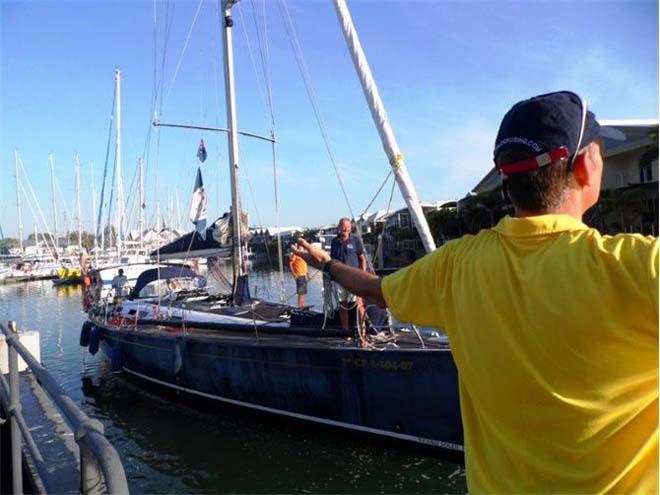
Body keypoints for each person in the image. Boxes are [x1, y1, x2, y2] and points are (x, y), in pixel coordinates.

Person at [293, 91, 658, 493]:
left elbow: (376, 291)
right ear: (587, 165)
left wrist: (324, 264)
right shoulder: (638, 268)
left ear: (506, 180)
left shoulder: (458, 265)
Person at [330, 218, 367, 331]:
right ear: (339, 227)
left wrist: (363, 274)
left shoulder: (355, 240)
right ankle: (346, 332)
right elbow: (331, 259)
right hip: (340, 279)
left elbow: (362, 258)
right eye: (343, 226)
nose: (345, 229)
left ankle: (362, 330)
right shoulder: (334, 242)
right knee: (343, 306)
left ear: (350, 228)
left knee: (359, 305)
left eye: (347, 227)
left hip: (354, 278)